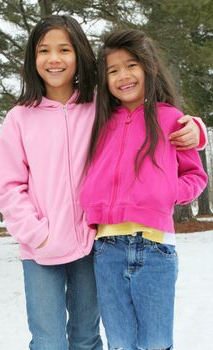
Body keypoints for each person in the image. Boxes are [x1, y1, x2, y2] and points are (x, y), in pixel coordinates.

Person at [0, 15, 205, 350]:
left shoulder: (97, 106)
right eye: (44, 50)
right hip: (40, 249)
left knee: (88, 338)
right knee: (48, 341)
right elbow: (7, 187)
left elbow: (143, 113)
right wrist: (37, 233)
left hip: (91, 245)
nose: (54, 58)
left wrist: (196, 126)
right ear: (33, 58)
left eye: (64, 49)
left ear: (79, 54)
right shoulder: (20, 117)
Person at [79, 29, 208, 350]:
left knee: (156, 342)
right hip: (106, 249)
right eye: (112, 70)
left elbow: (195, 175)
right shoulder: (99, 120)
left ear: (148, 67)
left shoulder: (172, 119)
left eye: (131, 65)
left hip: (155, 248)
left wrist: (166, 192)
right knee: (120, 342)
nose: (123, 75)